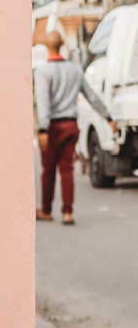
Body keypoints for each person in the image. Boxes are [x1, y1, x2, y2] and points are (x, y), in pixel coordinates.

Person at [34, 29, 115, 224]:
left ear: (46, 45)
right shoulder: (75, 70)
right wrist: (108, 117)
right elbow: (92, 96)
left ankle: (46, 209)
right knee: (67, 169)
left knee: (48, 170)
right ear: (61, 44)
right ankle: (67, 212)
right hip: (71, 125)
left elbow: (43, 102)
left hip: (53, 127)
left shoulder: (43, 72)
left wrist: (43, 129)